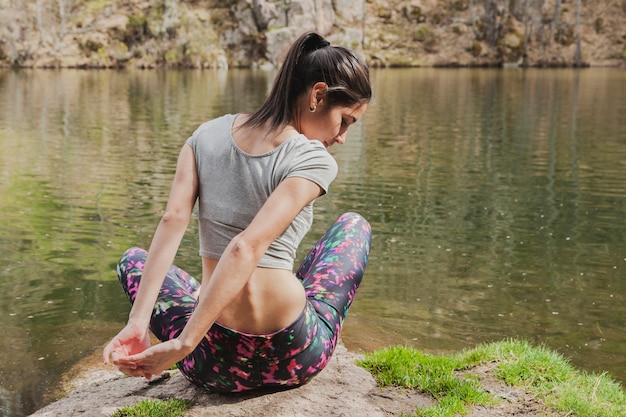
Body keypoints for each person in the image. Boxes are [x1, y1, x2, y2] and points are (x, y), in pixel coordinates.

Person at [103, 31, 373, 393]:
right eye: (346, 121)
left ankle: (194, 321)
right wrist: (181, 345)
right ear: (318, 95)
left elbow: (173, 220)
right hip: (291, 359)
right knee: (353, 226)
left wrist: (142, 324)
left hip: (210, 364)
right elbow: (245, 247)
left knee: (133, 260)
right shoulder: (312, 158)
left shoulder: (204, 136)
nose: (342, 138)